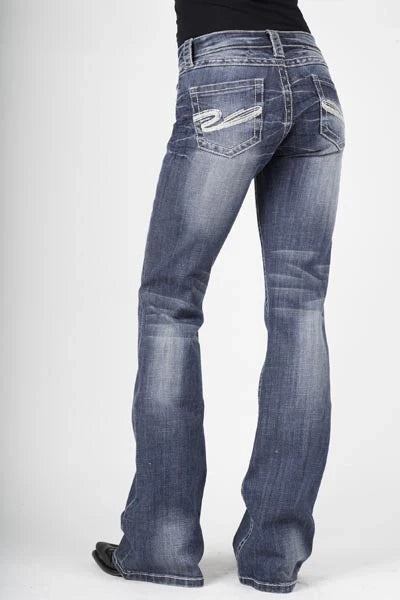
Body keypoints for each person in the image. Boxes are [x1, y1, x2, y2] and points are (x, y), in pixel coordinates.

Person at [92, 0, 345, 593]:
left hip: (227, 70)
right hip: (314, 76)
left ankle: (160, 545)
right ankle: (273, 556)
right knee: (300, 307)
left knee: (169, 306)